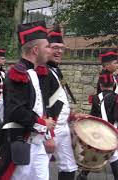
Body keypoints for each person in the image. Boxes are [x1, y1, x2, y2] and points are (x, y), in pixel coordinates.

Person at [0, 21, 55, 180]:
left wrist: (48, 134)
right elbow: (16, 111)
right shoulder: (18, 73)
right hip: (21, 142)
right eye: (47, 47)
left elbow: (41, 107)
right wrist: (42, 123)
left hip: (38, 143)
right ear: (36, 50)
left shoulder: (40, 72)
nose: (51, 50)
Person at [45, 26, 78, 180]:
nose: (58, 51)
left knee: (69, 166)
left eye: (61, 48)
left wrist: (71, 115)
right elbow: (42, 105)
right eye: (54, 48)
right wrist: (49, 134)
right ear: (46, 49)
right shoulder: (43, 72)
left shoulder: (56, 70)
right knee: (38, 170)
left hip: (62, 125)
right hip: (49, 128)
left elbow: (58, 100)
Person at [77, 59, 118, 180]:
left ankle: (83, 175)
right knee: (114, 156)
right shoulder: (115, 98)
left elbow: (93, 115)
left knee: (97, 152)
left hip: (101, 127)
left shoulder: (96, 98)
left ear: (101, 85)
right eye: (115, 62)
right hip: (113, 128)